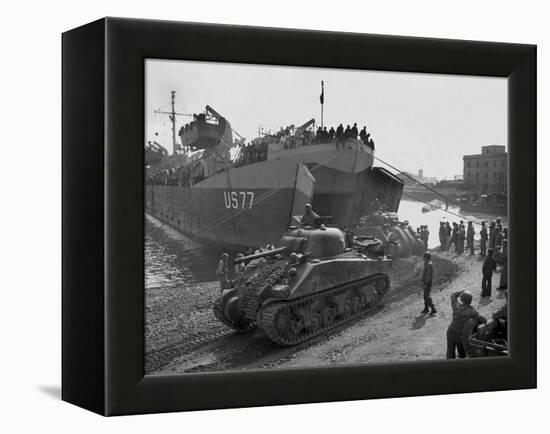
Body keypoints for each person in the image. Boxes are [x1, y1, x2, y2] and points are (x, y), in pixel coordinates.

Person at [446, 291, 486, 359]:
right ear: (470, 301)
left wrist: (460, 292)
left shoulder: (456, 307)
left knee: (450, 352)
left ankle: (449, 365)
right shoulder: (472, 311)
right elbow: (483, 320)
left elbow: (453, 295)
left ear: (462, 300)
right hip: (461, 335)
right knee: (462, 353)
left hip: (451, 332)